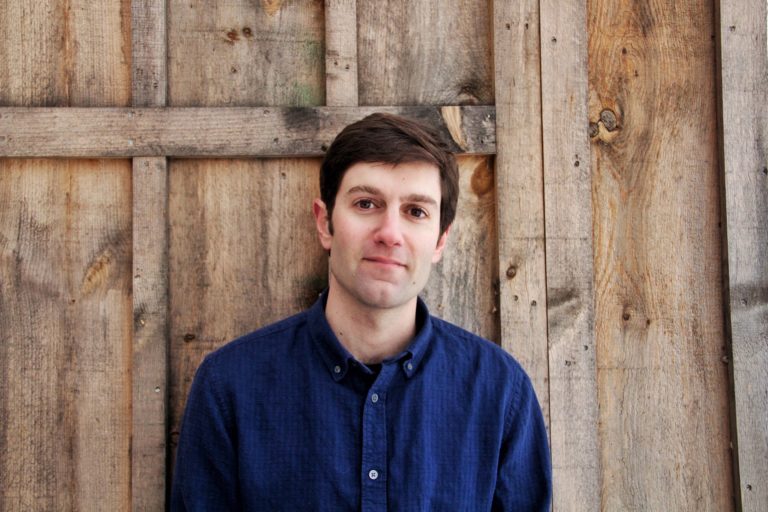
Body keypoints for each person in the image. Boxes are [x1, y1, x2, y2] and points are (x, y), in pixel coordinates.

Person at [170, 113, 552, 511]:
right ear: (325, 223)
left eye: (416, 211)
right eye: (366, 204)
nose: (389, 233)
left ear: (440, 240)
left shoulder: (499, 392)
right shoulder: (230, 387)